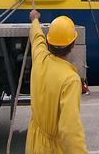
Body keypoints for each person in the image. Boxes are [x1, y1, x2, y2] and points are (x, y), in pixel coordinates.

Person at [27, 9, 87, 154]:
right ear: (72, 45)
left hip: (33, 142)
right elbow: (70, 128)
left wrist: (35, 19)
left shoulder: (40, 58)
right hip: (52, 149)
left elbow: (37, 37)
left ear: (49, 41)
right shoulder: (70, 80)